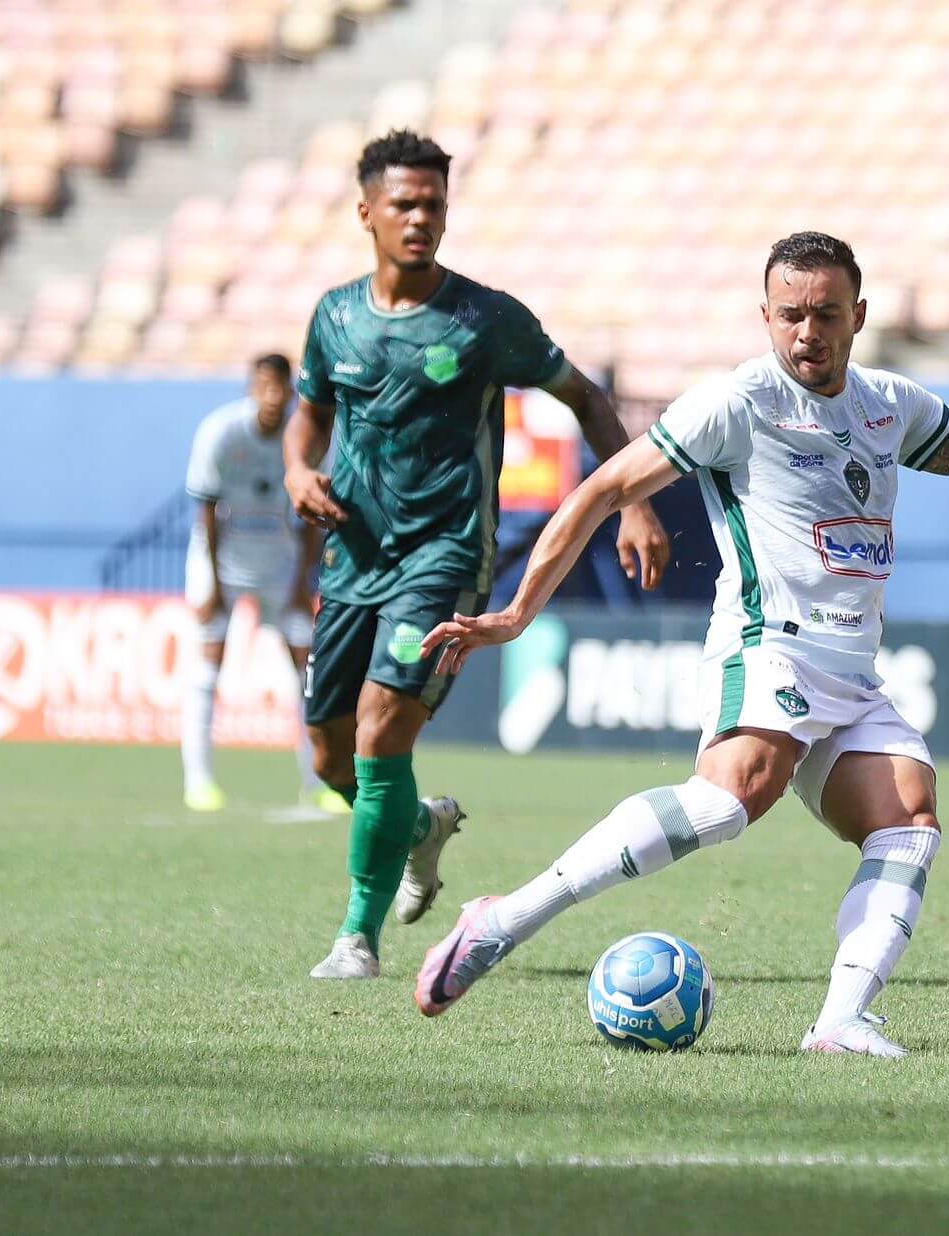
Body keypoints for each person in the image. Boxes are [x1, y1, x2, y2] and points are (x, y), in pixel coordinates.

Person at [412, 231, 949, 1056]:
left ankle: (840, 1022)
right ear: (766, 316)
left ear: (858, 314)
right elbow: (600, 488)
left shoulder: (890, 408)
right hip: (767, 645)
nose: (806, 333)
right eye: (789, 315)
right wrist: (517, 614)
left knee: (909, 819)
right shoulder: (737, 404)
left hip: (852, 673)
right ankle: (502, 920)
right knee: (731, 798)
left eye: (824, 314)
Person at [283, 131, 671, 981]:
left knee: (384, 730)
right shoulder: (335, 315)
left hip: (448, 556)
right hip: (353, 555)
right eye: (404, 205)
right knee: (328, 752)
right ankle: (416, 829)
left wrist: (634, 502)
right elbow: (309, 413)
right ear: (366, 215)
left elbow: (586, 397)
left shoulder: (486, 318)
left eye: (434, 205)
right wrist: (295, 472)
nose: (421, 220)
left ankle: (357, 936)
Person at [182, 353, 344, 815]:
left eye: (280, 387)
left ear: (291, 390)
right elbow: (207, 512)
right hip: (223, 561)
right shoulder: (221, 432)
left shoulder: (307, 439)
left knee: (306, 670)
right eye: (263, 387)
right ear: (252, 389)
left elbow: (314, 516)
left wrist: (302, 580)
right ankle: (199, 781)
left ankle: (319, 782)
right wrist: (212, 585)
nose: (272, 397)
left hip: (281, 563)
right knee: (207, 665)